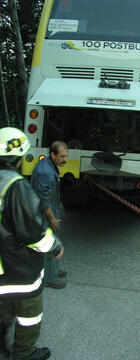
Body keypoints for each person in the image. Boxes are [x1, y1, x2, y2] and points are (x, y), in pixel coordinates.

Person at [0, 127, 64, 360]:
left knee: (3, 308)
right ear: (19, 158)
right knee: (29, 315)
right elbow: (33, 232)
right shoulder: (16, 186)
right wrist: (54, 247)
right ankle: (24, 354)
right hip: (17, 268)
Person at [31, 141, 68, 289]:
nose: (65, 160)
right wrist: (52, 219)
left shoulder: (49, 165)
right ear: (52, 154)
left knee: (52, 241)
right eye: (62, 156)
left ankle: (54, 270)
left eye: (66, 156)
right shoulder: (45, 172)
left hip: (48, 212)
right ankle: (50, 278)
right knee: (48, 245)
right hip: (43, 216)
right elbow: (43, 201)